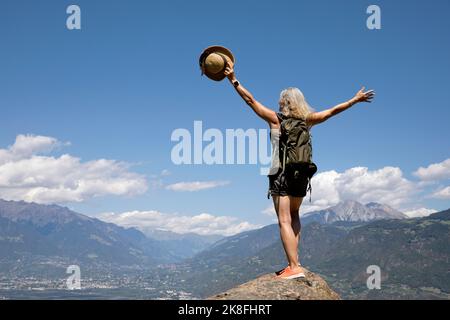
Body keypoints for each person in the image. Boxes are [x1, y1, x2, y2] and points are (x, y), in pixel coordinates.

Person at [224, 65, 375, 279]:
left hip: (281, 174)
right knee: (295, 216)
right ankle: (295, 261)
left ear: (285, 102)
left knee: (284, 219)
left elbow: (251, 101)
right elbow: (332, 111)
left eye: (280, 99)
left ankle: (293, 267)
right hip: (302, 175)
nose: (278, 102)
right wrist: (354, 100)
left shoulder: (276, 119)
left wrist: (234, 80)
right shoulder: (308, 120)